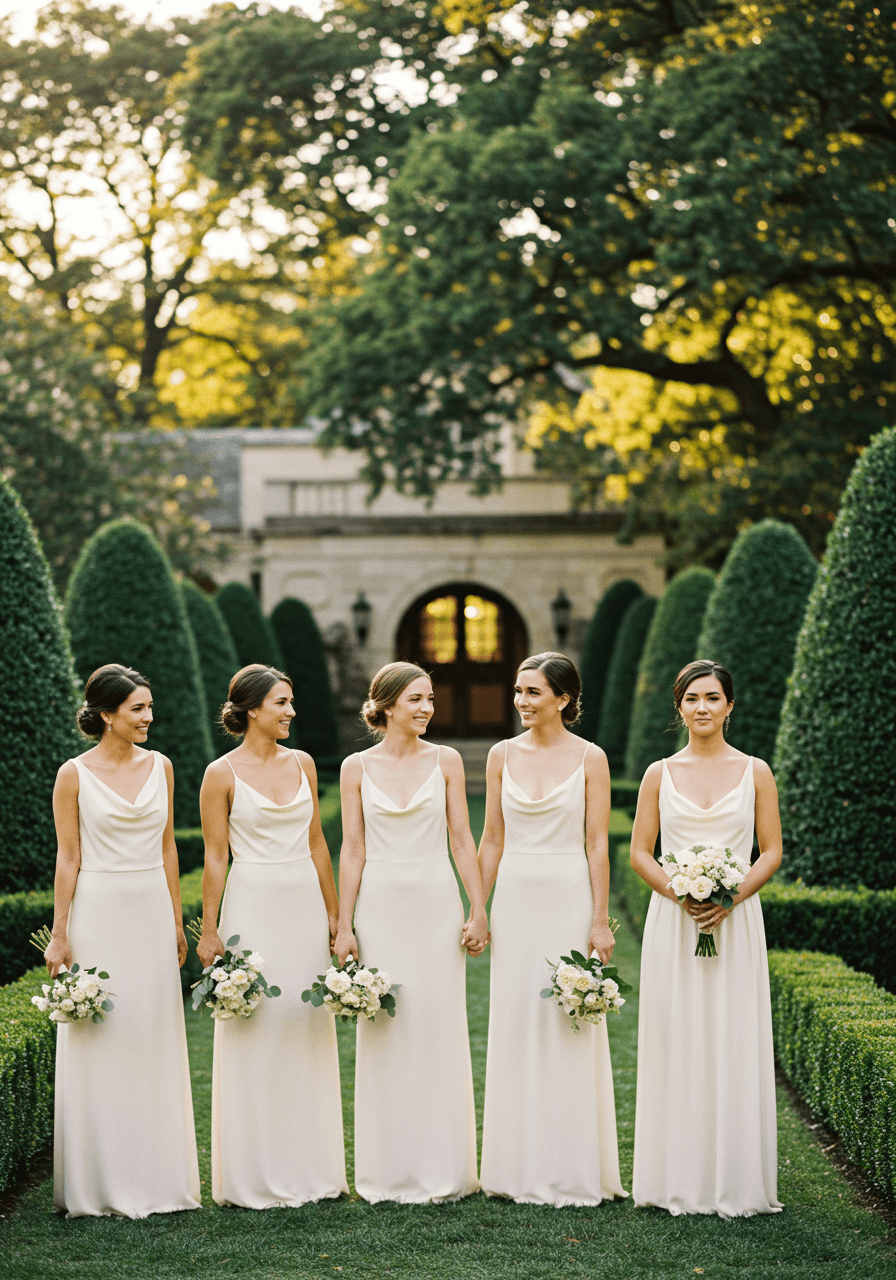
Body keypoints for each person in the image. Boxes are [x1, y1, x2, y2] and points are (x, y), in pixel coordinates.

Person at [45, 664, 200, 1219]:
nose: (149, 718)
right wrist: (60, 934)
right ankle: (100, 1181)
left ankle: (160, 1178)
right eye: (138, 709)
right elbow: (68, 856)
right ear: (106, 714)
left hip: (151, 915)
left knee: (152, 1033)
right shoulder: (73, 775)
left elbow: (167, 850)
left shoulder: (162, 767)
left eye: (150, 708)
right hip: (100, 913)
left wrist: (177, 920)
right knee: (103, 1039)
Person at [630, 659, 783, 1218]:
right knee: (678, 1037)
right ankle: (675, 1176)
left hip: (735, 921)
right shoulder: (658, 773)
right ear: (679, 707)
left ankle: (737, 1179)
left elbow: (771, 850)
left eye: (713, 698)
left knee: (732, 1037)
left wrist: (730, 897)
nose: (702, 708)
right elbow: (640, 850)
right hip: (674, 922)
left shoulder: (755, 771)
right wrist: (681, 893)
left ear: (730, 706)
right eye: (692, 698)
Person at [334, 661, 488, 1203]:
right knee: (385, 1030)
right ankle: (386, 1169)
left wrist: (478, 908)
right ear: (387, 705)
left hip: (435, 903)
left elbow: (462, 839)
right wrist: (345, 924)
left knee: (438, 1028)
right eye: (416, 700)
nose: (426, 708)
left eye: (429, 699)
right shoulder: (355, 767)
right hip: (379, 908)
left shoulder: (445, 761)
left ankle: (445, 1166)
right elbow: (352, 850)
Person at [478, 652, 626, 1205]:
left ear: (562, 699)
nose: (520, 701)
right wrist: (479, 907)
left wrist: (598, 920)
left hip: (567, 897)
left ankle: (573, 1165)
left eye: (532, 692)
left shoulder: (592, 758)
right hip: (515, 899)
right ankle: (514, 1166)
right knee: (517, 1019)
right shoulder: (500, 754)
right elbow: (491, 838)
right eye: (518, 691)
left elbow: (596, 844)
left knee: (569, 1021)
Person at [198, 664, 347, 1208]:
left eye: (291, 703)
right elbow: (216, 856)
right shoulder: (220, 774)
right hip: (253, 907)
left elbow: (318, 845)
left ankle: (313, 1168)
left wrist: (335, 917)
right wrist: (210, 928)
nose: (290, 712)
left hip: (304, 907)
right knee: (254, 1026)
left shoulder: (303, 763)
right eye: (281, 703)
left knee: (305, 1027)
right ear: (252, 709)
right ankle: (250, 1172)